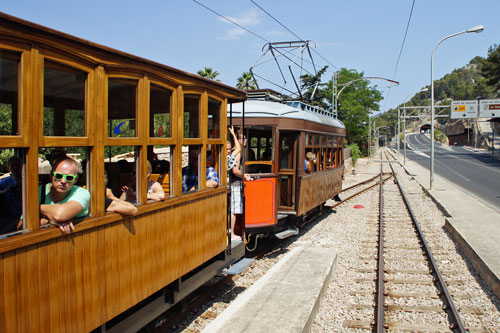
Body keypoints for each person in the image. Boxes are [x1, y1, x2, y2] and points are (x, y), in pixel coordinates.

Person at [39, 157, 90, 234]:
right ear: (51, 175)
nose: (63, 181)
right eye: (58, 176)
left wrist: (37, 209)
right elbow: (21, 226)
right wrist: (46, 221)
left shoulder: (82, 193)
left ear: (75, 179)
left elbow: (59, 215)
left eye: (69, 178)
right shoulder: (39, 192)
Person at [0, 156, 23, 234]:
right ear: (9, 168)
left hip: (22, 217)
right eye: (12, 166)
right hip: (9, 216)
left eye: (17, 165)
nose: (15, 168)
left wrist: (21, 192)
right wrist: (5, 191)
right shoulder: (6, 182)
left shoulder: (27, 180)